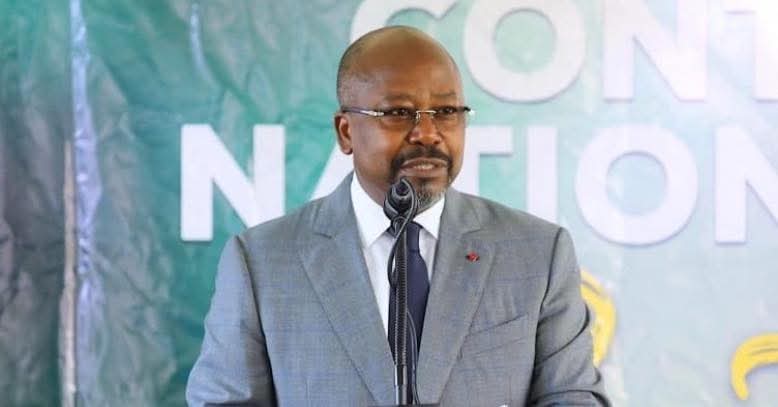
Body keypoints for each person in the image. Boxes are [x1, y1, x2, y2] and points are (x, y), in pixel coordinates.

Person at [187, 25, 609, 406]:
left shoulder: (538, 253)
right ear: (346, 132)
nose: (428, 133)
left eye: (446, 112)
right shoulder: (262, 262)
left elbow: (572, 398)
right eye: (398, 113)